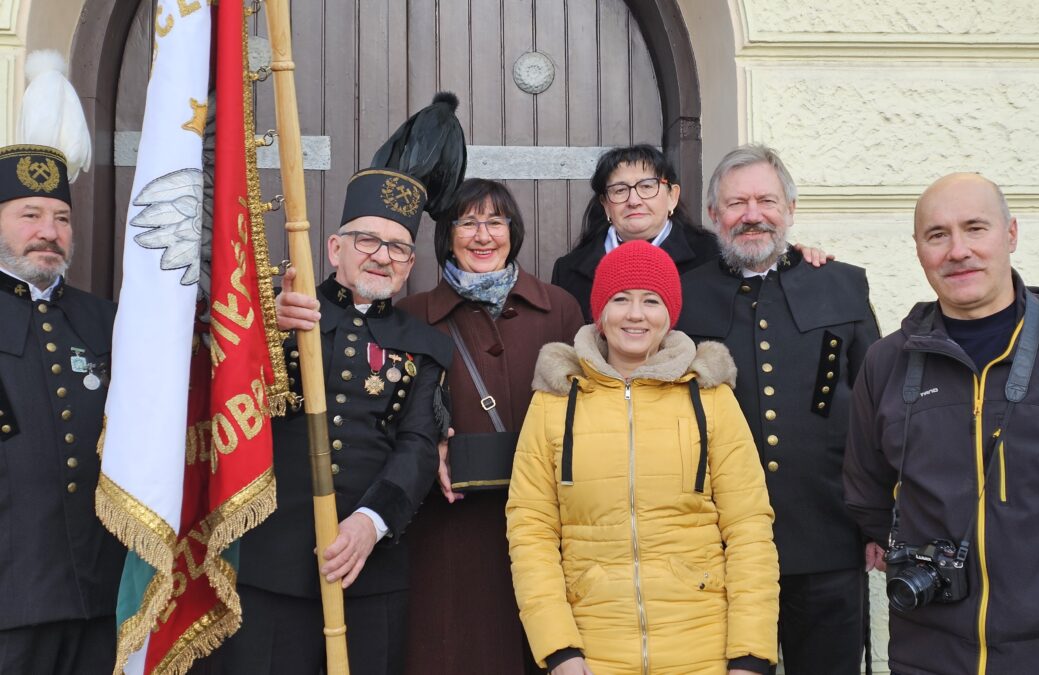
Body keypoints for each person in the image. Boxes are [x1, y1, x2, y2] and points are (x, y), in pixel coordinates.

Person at [219, 97, 461, 674]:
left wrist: (370, 522)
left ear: (410, 265)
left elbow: (419, 445)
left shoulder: (426, 344)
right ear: (335, 248)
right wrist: (259, 335)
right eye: (366, 241)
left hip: (370, 570)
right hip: (268, 567)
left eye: (398, 248)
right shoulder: (281, 315)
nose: (381, 257)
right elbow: (225, 399)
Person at [843, 173, 1039, 675]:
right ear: (918, 248)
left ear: (1010, 234)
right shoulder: (886, 363)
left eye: (975, 228)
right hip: (927, 654)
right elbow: (866, 494)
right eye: (937, 235)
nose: (958, 250)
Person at [508, 240, 780, 674]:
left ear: (669, 314)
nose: (635, 314)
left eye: (651, 301)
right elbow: (531, 531)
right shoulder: (556, 401)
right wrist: (559, 650)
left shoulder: (710, 398)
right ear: (600, 312)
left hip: (703, 650)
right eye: (620, 300)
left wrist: (750, 654)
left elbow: (749, 528)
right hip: (593, 653)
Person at [678, 145, 880, 675]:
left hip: (829, 536)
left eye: (766, 200)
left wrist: (877, 520)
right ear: (713, 215)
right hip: (717, 547)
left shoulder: (842, 282)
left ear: (790, 209)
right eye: (737, 202)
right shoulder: (680, 295)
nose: (752, 214)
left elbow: (873, 412)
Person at [397, 178, 582, 675]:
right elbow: (394, 411)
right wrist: (425, 443)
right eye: (468, 222)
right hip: (448, 524)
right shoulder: (411, 316)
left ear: (512, 230)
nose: (483, 235)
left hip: (544, 523)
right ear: (447, 235)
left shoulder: (560, 309)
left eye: (495, 222)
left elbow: (584, 409)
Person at [0, 54, 124, 675]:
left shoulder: (104, 321)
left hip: (96, 596)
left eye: (62, 218)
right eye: (30, 215)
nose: (48, 232)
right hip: (9, 601)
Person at [550, 144, 720, 322]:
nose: (634, 201)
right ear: (606, 204)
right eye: (620, 190)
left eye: (647, 186)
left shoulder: (711, 256)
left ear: (672, 196)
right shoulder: (569, 271)